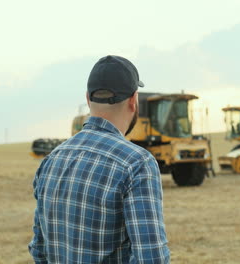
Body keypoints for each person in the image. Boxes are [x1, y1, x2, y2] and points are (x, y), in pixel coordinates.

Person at [28, 55, 170, 263]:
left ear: (88, 98)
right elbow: (151, 257)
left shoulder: (51, 160)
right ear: (133, 100)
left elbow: (40, 250)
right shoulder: (137, 163)